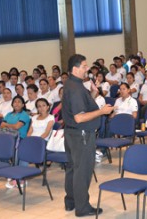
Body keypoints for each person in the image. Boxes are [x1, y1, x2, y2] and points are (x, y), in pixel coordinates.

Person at [62, 54, 114, 216]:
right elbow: (79, 117)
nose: (87, 69)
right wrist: (102, 111)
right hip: (81, 135)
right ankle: (82, 207)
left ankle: (71, 201)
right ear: (75, 69)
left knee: (72, 169)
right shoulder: (76, 88)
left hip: (72, 134)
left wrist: (93, 93)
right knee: (82, 171)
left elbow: (80, 108)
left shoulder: (71, 84)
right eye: (84, 66)